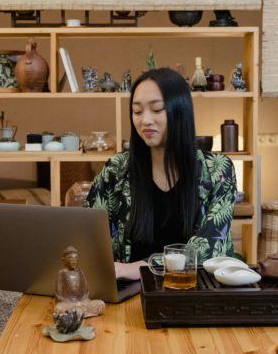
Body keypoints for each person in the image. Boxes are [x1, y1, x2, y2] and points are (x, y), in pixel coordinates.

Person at [84, 68, 237, 280]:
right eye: (137, 112)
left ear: (180, 111)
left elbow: (210, 248)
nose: (145, 120)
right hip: (129, 294)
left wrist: (139, 267)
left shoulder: (218, 169)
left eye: (157, 110)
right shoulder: (116, 169)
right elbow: (88, 235)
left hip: (195, 291)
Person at [54, 246, 105, 318]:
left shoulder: (80, 273)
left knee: (101, 304)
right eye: (71, 259)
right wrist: (70, 303)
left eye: (76, 259)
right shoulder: (62, 273)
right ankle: (79, 313)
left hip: (82, 303)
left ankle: (76, 314)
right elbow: (58, 295)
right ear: (64, 260)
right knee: (58, 308)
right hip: (68, 303)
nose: (74, 261)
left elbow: (86, 292)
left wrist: (81, 302)